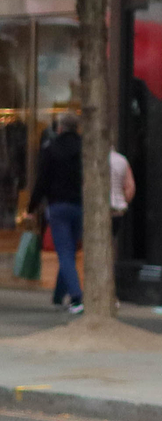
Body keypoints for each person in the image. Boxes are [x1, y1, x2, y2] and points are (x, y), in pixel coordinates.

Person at [27, 115, 83, 314]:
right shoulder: (84, 147)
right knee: (70, 251)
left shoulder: (51, 148)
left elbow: (42, 179)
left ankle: (76, 297)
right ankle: (60, 294)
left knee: (65, 252)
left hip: (58, 206)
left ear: (60, 128)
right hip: (80, 205)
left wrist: (32, 207)